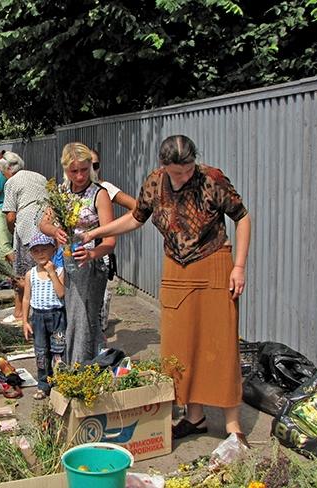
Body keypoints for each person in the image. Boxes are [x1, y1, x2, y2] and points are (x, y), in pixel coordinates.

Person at [83, 134, 252, 446]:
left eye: (188, 170)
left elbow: (242, 218)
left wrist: (239, 266)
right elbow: (136, 219)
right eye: (177, 172)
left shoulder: (211, 179)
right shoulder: (155, 182)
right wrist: (97, 232)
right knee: (180, 346)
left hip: (215, 263)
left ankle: (233, 427)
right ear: (163, 166)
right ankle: (195, 417)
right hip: (176, 267)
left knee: (221, 344)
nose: (184, 177)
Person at [39, 142, 115, 364]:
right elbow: (43, 223)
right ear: (65, 169)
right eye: (74, 171)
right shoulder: (61, 193)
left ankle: (81, 365)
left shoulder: (99, 194)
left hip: (93, 264)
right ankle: (85, 364)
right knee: (72, 315)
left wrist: (92, 254)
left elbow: (110, 240)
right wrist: (55, 231)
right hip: (68, 262)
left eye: (84, 169)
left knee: (84, 317)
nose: (80, 176)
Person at [90, 149, 136, 337]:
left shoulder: (105, 188)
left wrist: (112, 226)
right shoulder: (68, 187)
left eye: (95, 165)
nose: (91, 170)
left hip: (100, 249)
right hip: (76, 252)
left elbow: (137, 208)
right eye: (86, 165)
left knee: (97, 304)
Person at [0, 152, 47, 323]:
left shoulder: (11, 182)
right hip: (47, 226)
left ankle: (20, 312)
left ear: (8, 169)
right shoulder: (39, 177)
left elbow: (10, 216)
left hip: (26, 228)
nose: (3, 176)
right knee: (44, 270)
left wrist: (11, 231)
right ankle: (40, 310)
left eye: (3, 173)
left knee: (21, 272)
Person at [21, 233, 65, 400]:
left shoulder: (60, 271)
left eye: (44, 249)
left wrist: (52, 273)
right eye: (36, 251)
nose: (40, 253)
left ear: (53, 250)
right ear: (31, 254)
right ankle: (43, 385)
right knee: (41, 352)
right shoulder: (30, 274)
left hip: (57, 317)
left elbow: (61, 294)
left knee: (59, 351)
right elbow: (26, 298)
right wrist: (25, 321)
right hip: (38, 318)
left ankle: (61, 383)